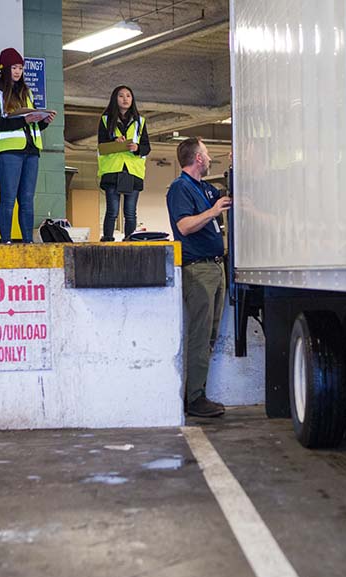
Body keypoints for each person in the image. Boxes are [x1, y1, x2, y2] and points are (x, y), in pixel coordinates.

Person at [166, 138, 232, 418]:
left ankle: (199, 392)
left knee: (211, 334)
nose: (209, 158)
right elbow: (184, 225)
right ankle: (194, 398)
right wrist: (213, 212)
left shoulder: (205, 189)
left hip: (216, 267)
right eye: (206, 154)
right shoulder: (181, 188)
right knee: (200, 333)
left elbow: (227, 196)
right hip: (198, 269)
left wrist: (235, 165)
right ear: (198, 159)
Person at [0, 48, 53, 243]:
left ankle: (28, 241)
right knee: (8, 198)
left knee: (27, 200)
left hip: (30, 150)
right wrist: (25, 120)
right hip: (7, 151)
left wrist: (43, 120)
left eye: (20, 67)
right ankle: (6, 241)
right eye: (14, 67)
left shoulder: (25, 92)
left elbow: (30, 124)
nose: (18, 71)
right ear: (4, 67)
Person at [97, 85, 150, 241]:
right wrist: (114, 141)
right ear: (115, 99)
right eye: (121, 96)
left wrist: (137, 147)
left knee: (130, 212)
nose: (125, 99)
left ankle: (130, 240)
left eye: (128, 96)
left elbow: (147, 147)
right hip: (113, 169)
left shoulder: (140, 121)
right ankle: (107, 239)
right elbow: (101, 144)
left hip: (133, 171)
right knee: (112, 210)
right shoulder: (106, 120)